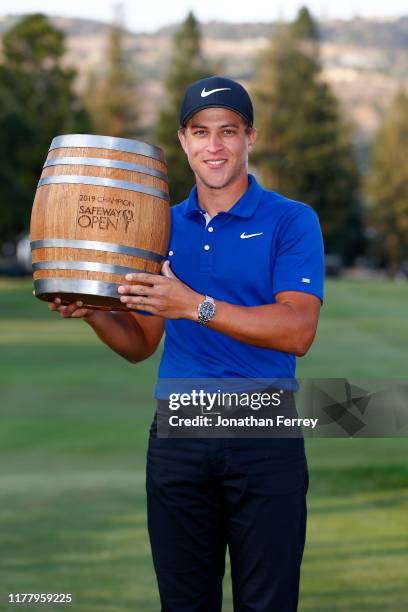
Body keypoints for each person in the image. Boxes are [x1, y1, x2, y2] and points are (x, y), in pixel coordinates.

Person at [49, 76, 324, 611]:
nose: (214, 146)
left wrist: (194, 305)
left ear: (251, 138)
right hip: (179, 433)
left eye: (228, 131)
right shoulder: (158, 225)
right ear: (183, 141)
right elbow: (140, 344)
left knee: (267, 605)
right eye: (201, 132)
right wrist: (92, 317)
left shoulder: (291, 220)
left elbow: (298, 330)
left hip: (262, 430)